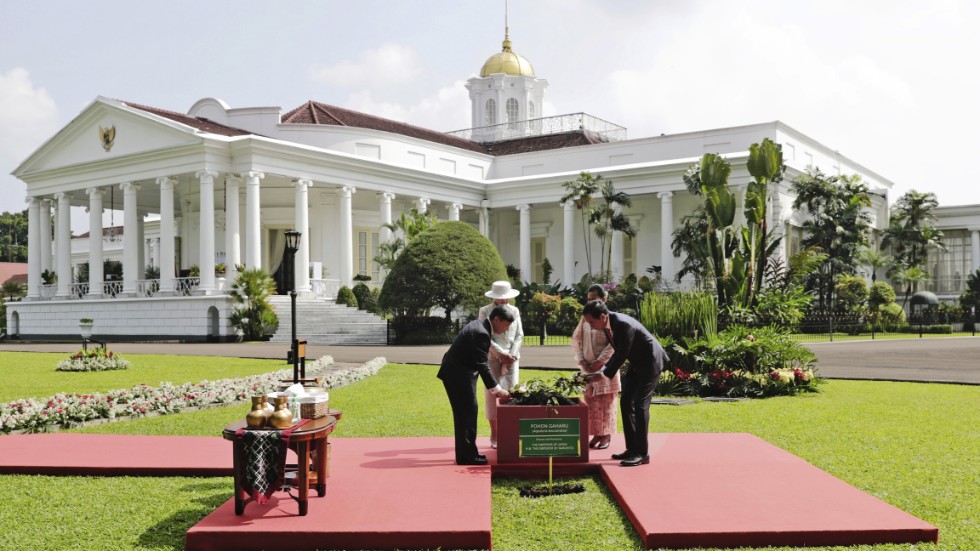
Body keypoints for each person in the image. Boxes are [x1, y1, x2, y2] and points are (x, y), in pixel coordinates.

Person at [583, 300, 668, 467]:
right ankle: (632, 449)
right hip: (637, 363)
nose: (591, 327)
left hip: (651, 363)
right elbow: (618, 352)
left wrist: (603, 374)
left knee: (640, 404)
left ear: (602, 316)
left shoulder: (622, 324)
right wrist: (603, 372)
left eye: (592, 322)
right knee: (626, 400)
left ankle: (642, 453)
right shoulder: (609, 323)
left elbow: (622, 353)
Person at [437, 305, 513, 465]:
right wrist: (497, 390)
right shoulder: (481, 332)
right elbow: (482, 364)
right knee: (467, 412)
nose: (505, 330)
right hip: (457, 374)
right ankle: (467, 456)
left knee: (467, 412)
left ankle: (468, 454)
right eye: (505, 326)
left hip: (458, 373)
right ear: (496, 319)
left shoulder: (480, 327)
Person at [571, 284, 619, 450]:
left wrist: (600, 361)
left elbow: (613, 344)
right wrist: (582, 361)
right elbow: (576, 340)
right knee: (591, 401)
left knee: (606, 402)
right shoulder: (585, 318)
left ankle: (606, 435)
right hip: (588, 367)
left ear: (604, 298)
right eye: (589, 299)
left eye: (594, 299)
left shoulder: (608, 318)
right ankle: (597, 433)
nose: (590, 301)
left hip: (606, 366)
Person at [477, 280, 523, 448]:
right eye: (501, 299)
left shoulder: (514, 311)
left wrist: (511, 354)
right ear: (495, 298)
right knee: (493, 394)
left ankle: (510, 431)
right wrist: (501, 354)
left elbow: (519, 335)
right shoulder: (485, 311)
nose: (505, 301)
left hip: (512, 359)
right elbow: (484, 337)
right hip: (493, 358)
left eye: (507, 299)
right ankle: (495, 434)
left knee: (512, 393)